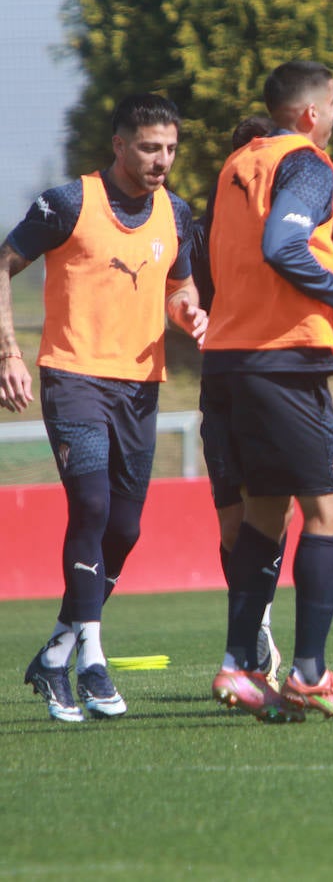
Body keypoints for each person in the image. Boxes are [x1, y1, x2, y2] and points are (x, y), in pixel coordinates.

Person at [1, 94, 205, 722]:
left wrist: (188, 312)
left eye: (170, 149)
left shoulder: (178, 212)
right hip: (73, 378)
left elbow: (181, 286)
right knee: (90, 505)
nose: (161, 161)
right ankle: (91, 656)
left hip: (141, 386)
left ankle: (56, 652)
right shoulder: (67, 204)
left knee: (125, 529)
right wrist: (7, 351)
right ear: (119, 145)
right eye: (149, 147)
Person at [203, 60, 333, 723]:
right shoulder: (307, 164)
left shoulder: (237, 163)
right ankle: (307, 673)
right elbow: (284, 247)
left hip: (227, 360)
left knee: (266, 513)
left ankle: (240, 666)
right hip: (281, 361)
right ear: (309, 114)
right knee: (332, 514)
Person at [191, 115, 291, 690]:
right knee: (249, 521)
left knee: (255, 517)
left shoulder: (261, 225)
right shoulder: (213, 231)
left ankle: (255, 637)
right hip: (244, 376)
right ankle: (259, 628)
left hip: (245, 375)